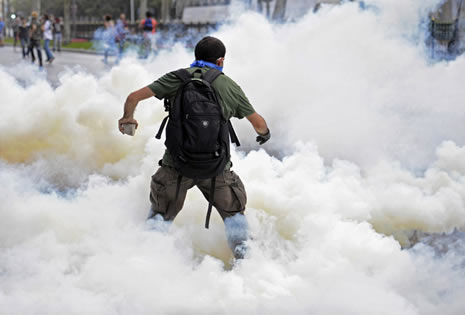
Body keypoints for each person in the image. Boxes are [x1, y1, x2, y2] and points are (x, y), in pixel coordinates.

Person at [118, 36, 271, 259]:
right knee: (235, 217)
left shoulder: (177, 78)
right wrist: (264, 135)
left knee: (158, 221)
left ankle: (144, 266)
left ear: (196, 57)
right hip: (216, 168)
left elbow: (133, 97)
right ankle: (246, 267)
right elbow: (259, 124)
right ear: (220, 61)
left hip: (176, 166)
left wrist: (127, 119)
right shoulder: (228, 85)